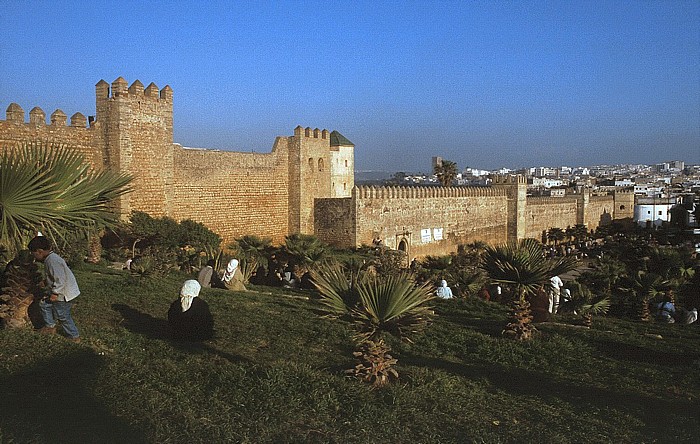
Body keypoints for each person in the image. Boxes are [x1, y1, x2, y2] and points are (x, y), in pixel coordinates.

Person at [28, 235, 81, 342]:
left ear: (39, 251)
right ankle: (49, 326)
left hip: (63, 293)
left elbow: (60, 279)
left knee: (62, 315)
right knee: (44, 304)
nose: (33, 257)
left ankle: (74, 336)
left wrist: (55, 293)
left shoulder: (52, 261)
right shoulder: (50, 258)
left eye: (33, 254)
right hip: (61, 290)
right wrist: (46, 282)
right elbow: (53, 275)